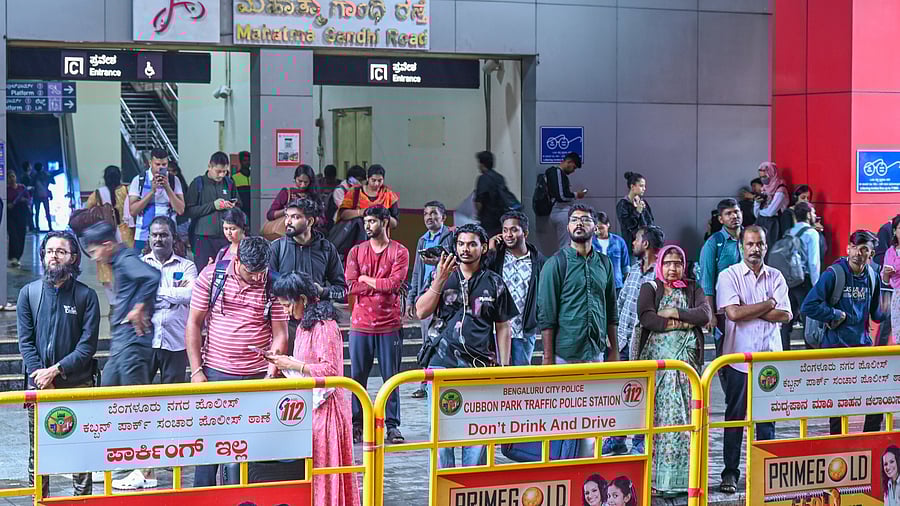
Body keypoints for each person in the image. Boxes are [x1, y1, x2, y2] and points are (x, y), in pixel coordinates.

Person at [186, 236, 289, 487]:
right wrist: (197, 370)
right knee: (209, 444)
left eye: (261, 272)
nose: (256, 278)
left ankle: (247, 496)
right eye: (251, 272)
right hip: (216, 374)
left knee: (254, 446)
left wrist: (270, 373)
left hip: (257, 378)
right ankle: (204, 497)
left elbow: (280, 334)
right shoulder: (212, 277)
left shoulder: (272, 284)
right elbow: (194, 324)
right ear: (237, 259)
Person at [416, 224, 515, 468]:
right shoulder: (443, 275)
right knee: (441, 432)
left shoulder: (495, 282)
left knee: (477, 433)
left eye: (472, 244)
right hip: (442, 363)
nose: (466, 249)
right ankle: (443, 487)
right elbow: (421, 311)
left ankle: (471, 486)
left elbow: (503, 326)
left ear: (483, 248)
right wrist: (438, 279)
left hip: (479, 366)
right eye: (461, 244)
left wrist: (504, 366)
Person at [113, 217, 196, 491]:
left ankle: (170, 453)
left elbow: (191, 294)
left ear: (174, 237)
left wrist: (157, 294)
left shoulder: (187, 265)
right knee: (142, 402)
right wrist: (172, 294)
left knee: (173, 402)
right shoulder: (140, 263)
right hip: (144, 341)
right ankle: (142, 460)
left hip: (175, 343)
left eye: (164, 235)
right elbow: (135, 295)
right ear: (148, 238)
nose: (158, 240)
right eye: (154, 235)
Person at [263, 273, 361, 506]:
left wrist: (292, 364)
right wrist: (283, 364)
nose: (286, 311)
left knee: (326, 466)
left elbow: (330, 370)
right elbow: (305, 368)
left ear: (303, 299)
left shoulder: (325, 327)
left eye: (288, 305)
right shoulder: (304, 327)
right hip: (312, 404)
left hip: (328, 409)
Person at [17, 231, 99, 498]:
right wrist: (42, 376)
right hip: (39, 388)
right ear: (43, 256)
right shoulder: (29, 294)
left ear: (73, 258)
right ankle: (39, 500)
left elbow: (87, 347)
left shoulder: (86, 296)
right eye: (50, 251)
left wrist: (57, 370)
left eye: (61, 251)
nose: (54, 256)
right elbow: (25, 342)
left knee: (80, 452)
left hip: (77, 385)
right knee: (38, 452)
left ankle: (81, 501)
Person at [716, 225, 791, 494]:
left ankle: (762, 473)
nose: (755, 249)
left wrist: (751, 309)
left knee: (767, 420)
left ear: (766, 246)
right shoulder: (729, 276)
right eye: (749, 244)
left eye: (759, 244)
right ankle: (730, 474)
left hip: (769, 362)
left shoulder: (777, 276)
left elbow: (785, 315)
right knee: (734, 418)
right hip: (738, 361)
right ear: (741, 247)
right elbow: (733, 314)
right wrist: (768, 303)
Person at [637, 245, 712, 497]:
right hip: (659, 370)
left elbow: (704, 314)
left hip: (687, 369)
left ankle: (684, 482)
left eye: (678, 263)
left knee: (686, 421)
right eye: (667, 263)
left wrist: (674, 312)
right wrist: (679, 325)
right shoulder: (650, 287)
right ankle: (657, 482)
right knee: (659, 421)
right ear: (660, 264)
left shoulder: (693, 288)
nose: (673, 268)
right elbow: (647, 317)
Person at [801, 229, 886, 435]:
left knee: (876, 401)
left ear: (871, 254)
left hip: (862, 348)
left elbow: (876, 314)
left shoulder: (873, 277)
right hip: (836, 349)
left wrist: (888, 297)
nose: (858, 253)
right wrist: (834, 314)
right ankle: (838, 446)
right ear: (848, 248)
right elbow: (808, 306)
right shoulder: (834, 274)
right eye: (855, 247)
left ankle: (869, 442)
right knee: (838, 407)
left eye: (864, 249)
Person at [344, 206, 410, 445]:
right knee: (357, 378)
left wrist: (366, 279)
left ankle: (392, 426)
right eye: (366, 221)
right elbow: (351, 286)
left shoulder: (399, 252)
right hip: (360, 324)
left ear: (385, 222)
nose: (368, 225)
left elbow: (394, 284)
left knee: (391, 378)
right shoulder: (356, 251)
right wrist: (375, 284)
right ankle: (357, 425)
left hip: (389, 323)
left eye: (372, 221)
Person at [603, 225, 664, 456]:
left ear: (646, 244)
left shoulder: (661, 272)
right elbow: (622, 303)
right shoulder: (634, 270)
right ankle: (616, 438)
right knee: (621, 393)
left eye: (637, 239)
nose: (633, 243)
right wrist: (614, 339)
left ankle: (640, 440)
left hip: (646, 344)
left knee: (644, 395)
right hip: (623, 341)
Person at [82, 222, 161, 389]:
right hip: (121, 342)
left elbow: (152, 277)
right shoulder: (118, 262)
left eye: (94, 252)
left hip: (132, 343)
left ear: (108, 245)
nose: (94, 257)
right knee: (108, 392)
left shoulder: (126, 260)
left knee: (134, 403)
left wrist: (138, 307)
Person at [538, 204, 619, 365]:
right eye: (574, 220)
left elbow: (611, 309)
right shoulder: (555, 263)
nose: (579, 223)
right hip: (564, 355)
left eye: (585, 220)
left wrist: (615, 350)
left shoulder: (605, 263)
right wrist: (547, 359)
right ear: (568, 227)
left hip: (596, 352)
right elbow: (546, 315)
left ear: (595, 227)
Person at [486, 211, 546, 366]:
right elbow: (481, 275)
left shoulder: (538, 261)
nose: (508, 234)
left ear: (525, 233)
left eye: (514, 230)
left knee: (520, 379)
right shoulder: (497, 258)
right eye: (505, 230)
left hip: (523, 331)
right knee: (496, 377)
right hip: (496, 330)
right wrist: (491, 250)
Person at [407, 200, 452, 398]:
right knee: (427, 341)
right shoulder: (422, 240)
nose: (429, 217)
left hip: (445, 296)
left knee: (443, 339)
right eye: (426, 214)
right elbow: (417, 271)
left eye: (434, 213)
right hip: (425, 296)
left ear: (444, 217)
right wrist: (411, 298)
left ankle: (443, 381)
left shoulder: (450, 237)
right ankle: (424, 383)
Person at [269, 198, 347, 304]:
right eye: (287, 216)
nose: (288, 221)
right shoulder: (276, 247)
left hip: (316, 314)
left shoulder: (327, 249)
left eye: (295, 217)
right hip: (285, 316)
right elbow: (267, 286)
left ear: (310, 221)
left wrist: (323, 291)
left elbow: (342, 290)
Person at [87, 165, 135, 304]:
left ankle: (113, 303)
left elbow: (87, 211)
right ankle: (127, 300)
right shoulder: (126, 190)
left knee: (106, 270)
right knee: (125, 266)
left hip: (105, 236)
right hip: (126, 234)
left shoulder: (97, 194)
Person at [184, 151, 239, 270]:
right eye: (218, 171)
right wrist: (213, 206)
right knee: (204, 271)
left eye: (224, 171)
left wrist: (232, 206)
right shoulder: (198, 184)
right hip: (203, 238)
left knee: (227, 271)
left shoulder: (229, 183)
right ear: (209, 167)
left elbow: (238, 204)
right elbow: (189, 211)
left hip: (226, 237)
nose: (221, 175)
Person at [699, 198, 744, 343]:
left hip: (750, 305)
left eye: (736, 212)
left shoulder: (750, 238)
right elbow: (707, 281)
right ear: (721, 219)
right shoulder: (713, 243)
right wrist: (710, 314)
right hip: (723, 309)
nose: (734, 216)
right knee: (725, 353)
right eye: (728, 213)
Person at [779, 202, 821, 351]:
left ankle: (783, 354)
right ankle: (809, 356)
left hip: (788, 280)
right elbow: (814, 263)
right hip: (804, 281)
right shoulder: (811, 233)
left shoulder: (789, 232)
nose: (815, 216)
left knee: (786, 319)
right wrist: (817, 287)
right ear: (809, 214)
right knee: (808, 320)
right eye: (814, 212)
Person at [128, 148, 185, 252]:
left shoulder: (173, 180)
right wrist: (151, 192)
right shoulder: (138, 180)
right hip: (144, 235)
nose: (161, 168)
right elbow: (133, 211)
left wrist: (167, 187)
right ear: (150, 163)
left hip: (168, 235)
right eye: (157, 164)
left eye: (164, 164)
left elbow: (180, 210)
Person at [337, 164, 399, 228]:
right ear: (367, 178)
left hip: (380, 236)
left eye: (380, 180)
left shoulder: (389, 195)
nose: (376, 184)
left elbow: (395, 224)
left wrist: (384, 215)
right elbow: (343, 214)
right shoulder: (355, 192)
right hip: (357, 235)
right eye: (373, 180)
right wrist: (362, 212)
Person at [546, 152, 586, 250]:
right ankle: (565, 263)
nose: (573, 171)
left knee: (566, 243)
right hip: (560, 211)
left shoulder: (556, 173)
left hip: (559, 211)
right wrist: (577, 195)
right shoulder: (557, 172)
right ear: (569, 162)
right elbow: (561, 196)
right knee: (565, 244)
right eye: (574, 167)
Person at [592, 211, 630, 296]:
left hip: (616, 285)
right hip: (596, 285)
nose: (599, 231)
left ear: (608, 225)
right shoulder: (590, 242)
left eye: (601, 228)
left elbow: (626, 266)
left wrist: (626, 285)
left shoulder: (619, 241)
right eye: (596, 228)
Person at [473, 150, 510, 238]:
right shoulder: (500, 178)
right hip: (501, 220)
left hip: (488, 221)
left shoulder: (483, 179)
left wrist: (478, 214)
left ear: (482, 164)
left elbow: (479, 202)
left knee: (488, 244)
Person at [616, 171, 654, 251]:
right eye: (641, 186)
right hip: (631, 246)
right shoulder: (623, 204)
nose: (644, 188)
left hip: (646, 244)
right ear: (632, 187)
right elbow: (628, 225)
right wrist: (637, 212)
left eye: (644, 186)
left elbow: (650, 221)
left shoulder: (643, 202)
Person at [753, 161, 789, 245]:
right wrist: (757, 203)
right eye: (761, 177)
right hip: (763, 223)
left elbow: (770, 212)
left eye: (765, 176)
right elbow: (756, 214)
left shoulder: (781, 190)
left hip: (775, 225)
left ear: (772, 174)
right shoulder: (765, 189)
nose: (763, 179)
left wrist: (760, 213)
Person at [881, 216, 900, 347]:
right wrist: (887, 274)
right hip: (897, 296)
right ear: (894, 231)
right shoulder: (890, 252)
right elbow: (885, 280)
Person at [6, 172, 30, 269]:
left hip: (21, 214)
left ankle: (18, 256)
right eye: (9, 177)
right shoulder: (6, 190)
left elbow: (29, 199)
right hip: (10, 215)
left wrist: (24, 200)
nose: (12, 178)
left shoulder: (22, 188)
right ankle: (13, 257)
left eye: (13, 176)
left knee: (21, 235)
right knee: (13, 235)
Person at [31, 162, 63, 231]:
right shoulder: (45, 175)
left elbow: (32, 185)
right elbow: (53, 182)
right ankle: (50, 227)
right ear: (42, 167)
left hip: (37, 196)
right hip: (44, 196)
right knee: (47, 212)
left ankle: (37, 227)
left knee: (37, 212)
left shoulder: (34, 176)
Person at [233, 150, 252, 218]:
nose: (247, 162)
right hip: (241, 211)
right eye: (244, 160)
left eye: (248, 160)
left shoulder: (255, 177)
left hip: (253, 210)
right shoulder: (234, 178)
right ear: (240, 162)